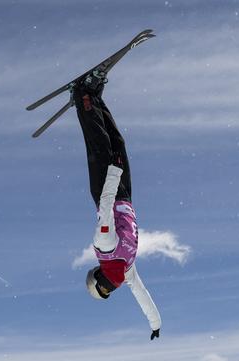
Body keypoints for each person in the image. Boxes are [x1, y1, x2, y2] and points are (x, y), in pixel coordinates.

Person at [72, 72, 161, 340]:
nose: (111, 288)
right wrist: (155, 323)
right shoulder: (123, 266)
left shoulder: (107, 249)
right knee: (115, 142)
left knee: (100, 142)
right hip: (120, 193)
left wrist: (114, 173)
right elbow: (142, 295)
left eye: (106, 289)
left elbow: (105, 206)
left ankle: (84, 96)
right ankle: (93, 98)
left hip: (109, 188)